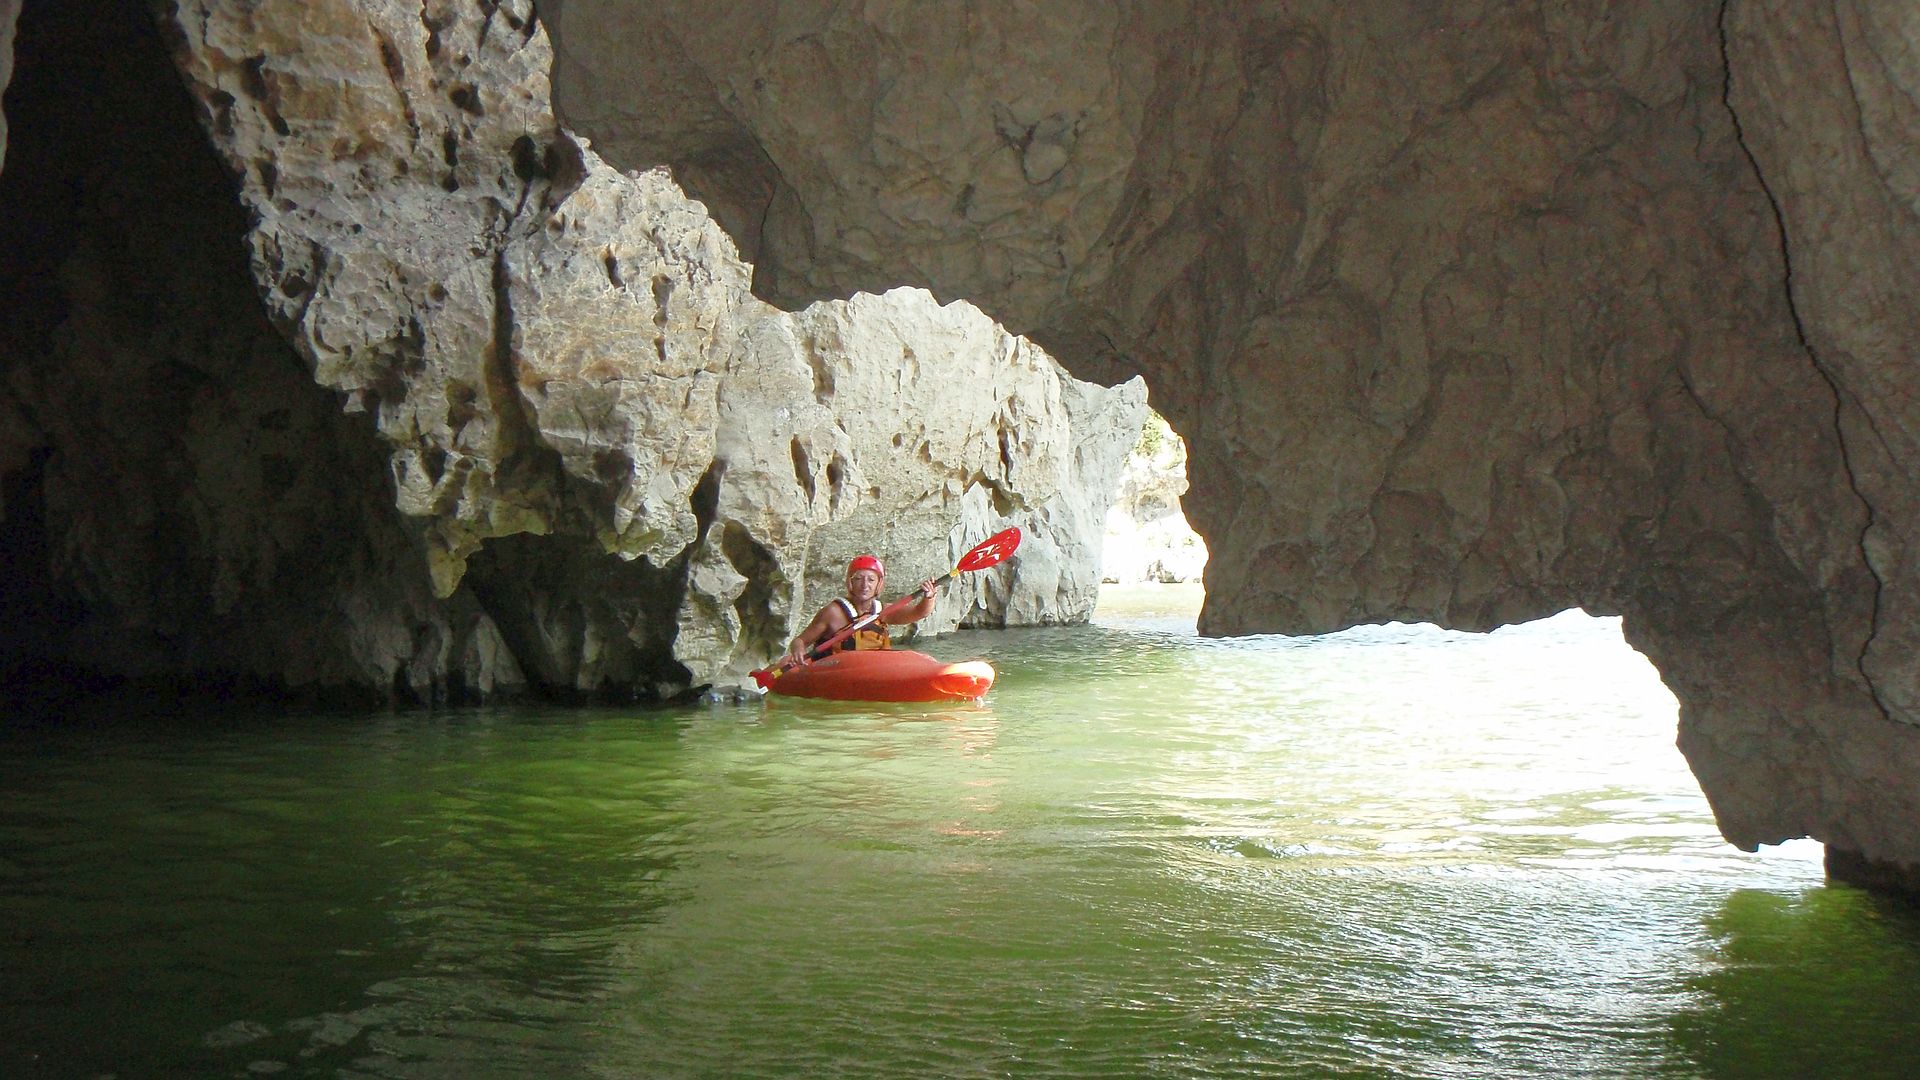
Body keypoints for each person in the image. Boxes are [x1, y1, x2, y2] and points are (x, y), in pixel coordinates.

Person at [780, 554, 938, 665]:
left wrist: (929, 597)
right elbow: (800, 641)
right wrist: (798, 651)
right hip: (837, 670)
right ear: (850, 583)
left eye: (871, 580)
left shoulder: (883, 611)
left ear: (878, 585)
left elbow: (919, 612)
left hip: (874, 668)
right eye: (858, 579)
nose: (865, 585)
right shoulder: (833, 612)